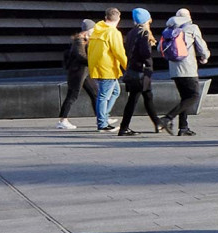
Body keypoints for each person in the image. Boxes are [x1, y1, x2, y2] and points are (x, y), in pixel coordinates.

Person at [158, 9, 210, 136]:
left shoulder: (168, 29)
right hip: (188, 68)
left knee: (185, 98)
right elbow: (201, 46)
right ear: (188, 17)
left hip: (174, 70)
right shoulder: (192, 27)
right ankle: (167, 119)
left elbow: (160, 48)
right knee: (194, 96)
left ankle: (183, 127)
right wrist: (205, 56)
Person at [116, 7, 166, 136]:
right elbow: (145, 53)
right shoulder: (144, 33)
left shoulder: (131, 32)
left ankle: (157, 123)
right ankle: (124, 127)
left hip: (133, 69)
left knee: (147, 97)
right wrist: (149, 65)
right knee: (134, 99)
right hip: (141, 72)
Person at [85, 9, 126, 130]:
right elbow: (119, 52)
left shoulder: (97, 30)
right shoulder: (113, 32)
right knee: (103, 96)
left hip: (97, 67)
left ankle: (103, 116)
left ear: (106, 17)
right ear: (118, 19)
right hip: (108, 68)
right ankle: (102, 123)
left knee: (115, 91)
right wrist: (127, 66)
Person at [55, 19, 92, 129]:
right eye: (93, 29)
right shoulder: (79, 41)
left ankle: (102, 117)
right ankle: (63, 120)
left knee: (95, 93)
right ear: (87, 30)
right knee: (72, 95)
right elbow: (81, 56)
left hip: (84, 72)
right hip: (77, 73)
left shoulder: (85, 40)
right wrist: (94, 61)